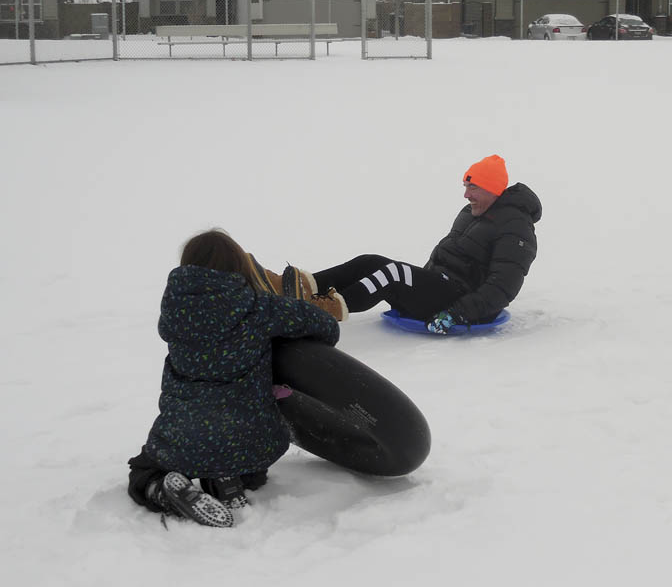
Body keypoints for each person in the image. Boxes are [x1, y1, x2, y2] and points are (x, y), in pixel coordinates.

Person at [127, 229, 341, 527]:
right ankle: (228, 480)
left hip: (185, 434)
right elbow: (327, 326)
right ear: (237, 265)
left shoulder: (174, 313)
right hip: (251, 439)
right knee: (250, 467)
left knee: (142, 472)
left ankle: (160, 489)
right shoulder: (261, 307)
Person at [309, 155, 542, 333]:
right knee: (369, 263)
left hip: (458, 303)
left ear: (492, 189)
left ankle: (320, 312)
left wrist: (456, 314)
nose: (466, 195)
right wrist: (419, 283)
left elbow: (502, 287)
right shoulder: (472, 212)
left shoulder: (516, 227)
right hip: (440, 287)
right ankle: (304, 286)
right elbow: (447, 256)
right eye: (465, 187)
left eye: (473, 187)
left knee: (394, 273)